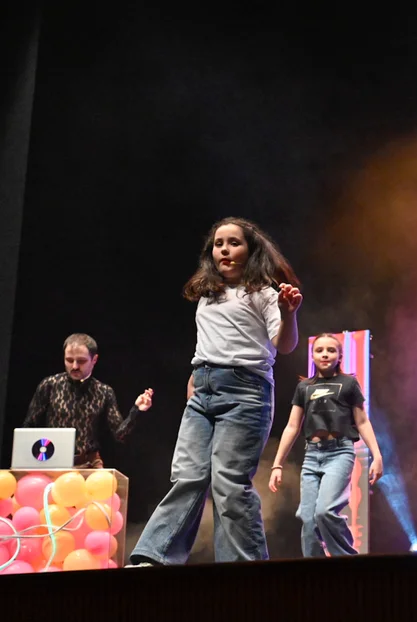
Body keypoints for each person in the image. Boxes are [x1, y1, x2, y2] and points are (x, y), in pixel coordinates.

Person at [128, 217, 302, 566]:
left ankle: (242, 564)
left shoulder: (264, 295)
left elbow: (284, 345)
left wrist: (288, 314)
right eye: (218, 244)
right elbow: (208, 342)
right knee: (187, 476)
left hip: (245, 392)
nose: (224, 249)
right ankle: (154, 557)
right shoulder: (208, 296)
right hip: (203, 391)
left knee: (229, 483)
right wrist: (196, 377)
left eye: (234, 243)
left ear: (250, 251)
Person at [267, 333, 384, 557]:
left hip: (339, 453)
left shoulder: (348, 384)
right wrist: (277, 465)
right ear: (312, 355)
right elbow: (292, 426)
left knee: (325, 511)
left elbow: (362, 421)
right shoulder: (304, 387)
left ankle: (347, 560)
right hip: (312, 456)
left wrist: (376, 456)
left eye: (331, 350)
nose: (325, 354)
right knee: (308, 518)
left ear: (340, 355)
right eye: (319, 350)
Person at [24, 333, 153, 468]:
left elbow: (120, 435)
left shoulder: (103, 391)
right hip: (52, 458)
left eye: (81, 361)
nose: (74, 366)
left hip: (89, 461)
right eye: (69, 360)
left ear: (94, 360)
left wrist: (136, 410)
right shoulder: (50, 385)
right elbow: (28, 427)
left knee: (107, 481)